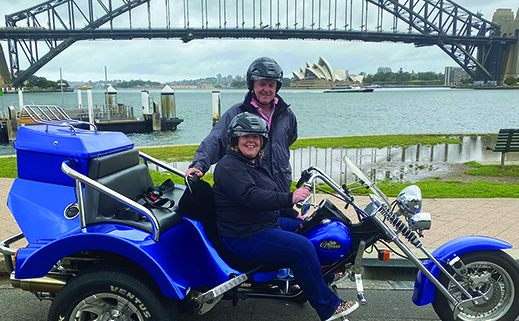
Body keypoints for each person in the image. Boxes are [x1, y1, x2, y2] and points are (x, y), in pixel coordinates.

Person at [212, 112, 359, 321]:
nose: (251, 141)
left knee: (310, 228)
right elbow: (252, 198)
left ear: (262, 141)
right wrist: (290, 198)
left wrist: (293, 214)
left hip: (259, 222)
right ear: (235, 139)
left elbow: (268, 198)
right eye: (246, 136)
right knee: (301, 248)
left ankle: (316, 277)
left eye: (256, 137)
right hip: (242, 235)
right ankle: (327, 307)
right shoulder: (229, 166)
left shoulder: (252, 163)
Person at [186, 56, 297, 194]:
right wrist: (199, 165)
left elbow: (290, 139)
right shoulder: (237, 113)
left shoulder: (287, 114)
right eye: (262, 84)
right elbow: (216, 139)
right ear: (252, 85)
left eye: (271, 85)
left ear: (277, 86)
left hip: (282, 185)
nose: (266, 89)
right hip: (253, 186)